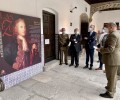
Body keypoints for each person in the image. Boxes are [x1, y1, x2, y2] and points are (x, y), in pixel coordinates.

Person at [96, 22, 120, 98]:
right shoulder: (117, 33)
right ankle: (111, 88)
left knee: (111, 76)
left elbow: (110, 49)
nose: (106, 28)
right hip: (114, 57)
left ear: (111, 27)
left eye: (107, 27)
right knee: (112, 76)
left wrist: (101, 50)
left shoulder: (113, 35)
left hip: (112, 59)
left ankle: (110, 93)